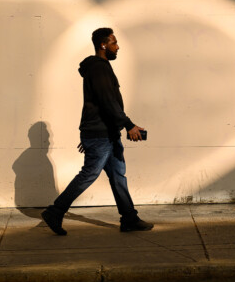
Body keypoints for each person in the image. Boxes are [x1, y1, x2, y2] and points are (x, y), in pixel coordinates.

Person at [41, 27, 153, 235]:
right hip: (101, 136)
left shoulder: (99, 67)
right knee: (89, 174)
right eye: (114, 43)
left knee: (118, 175)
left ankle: (129, 219)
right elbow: (108, 102)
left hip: (105, 134)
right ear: (103, 45)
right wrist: (128, 125)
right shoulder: (99, 68)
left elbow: (100, 104)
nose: (117, 47)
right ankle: (55, 212)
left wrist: (93, 133)